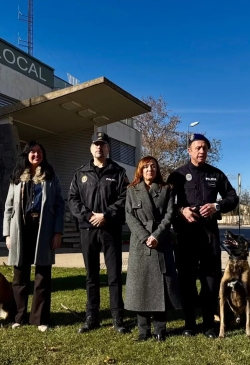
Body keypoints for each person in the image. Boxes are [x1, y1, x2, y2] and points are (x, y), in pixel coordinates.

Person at [167, 133, 239, 338]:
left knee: (210, 280)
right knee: (187, 281)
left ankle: (209, 324)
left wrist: (216, 206)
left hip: (209, 236)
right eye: (197, 148)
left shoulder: (216, 175)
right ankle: (189, 323)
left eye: (204, 148)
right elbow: (166, 204)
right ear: (189, 150)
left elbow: (233, 197)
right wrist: (181, 211)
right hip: (185, 236)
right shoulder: (177, 175)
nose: (201, 151)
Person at [68, 131, 130, 334]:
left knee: (114, 276)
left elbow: (124, 198)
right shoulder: (81, 173)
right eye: (96, 144)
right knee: (91, 275)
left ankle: (117, 318)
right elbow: (73, 199)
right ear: (91, 148)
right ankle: (91, 316)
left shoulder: (118, 172)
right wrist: (88, 216)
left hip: (110, 229)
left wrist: (107, 215)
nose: (99, 147)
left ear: (108, 148)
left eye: (103, 144)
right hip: (88, 229)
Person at [3, 141, 64, 332]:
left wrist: (57, 232)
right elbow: (8, 207)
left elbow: (60, 205)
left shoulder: (51, 177)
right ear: (26, 155)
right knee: (19, 274)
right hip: (20, 229)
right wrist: (7, 234)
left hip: (43, 229)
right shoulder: (16, 178)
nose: (36, 155)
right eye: (32, 152)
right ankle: (18, 317)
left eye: (39, 151)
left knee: (42, 275)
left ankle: (40, 319)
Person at [124, 156, 182, 342]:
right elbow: (129, 216)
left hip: (161, 243)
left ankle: (160, 329)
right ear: (140, 170)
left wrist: (156, 236)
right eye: (146, 167)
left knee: (161, 288)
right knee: (141, 288)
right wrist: (144, 236)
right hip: (140, 245)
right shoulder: (132, 190)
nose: (150, 170)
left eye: (153, 166)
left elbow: (170, 214)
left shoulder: (166, 190)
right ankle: (143, 330)